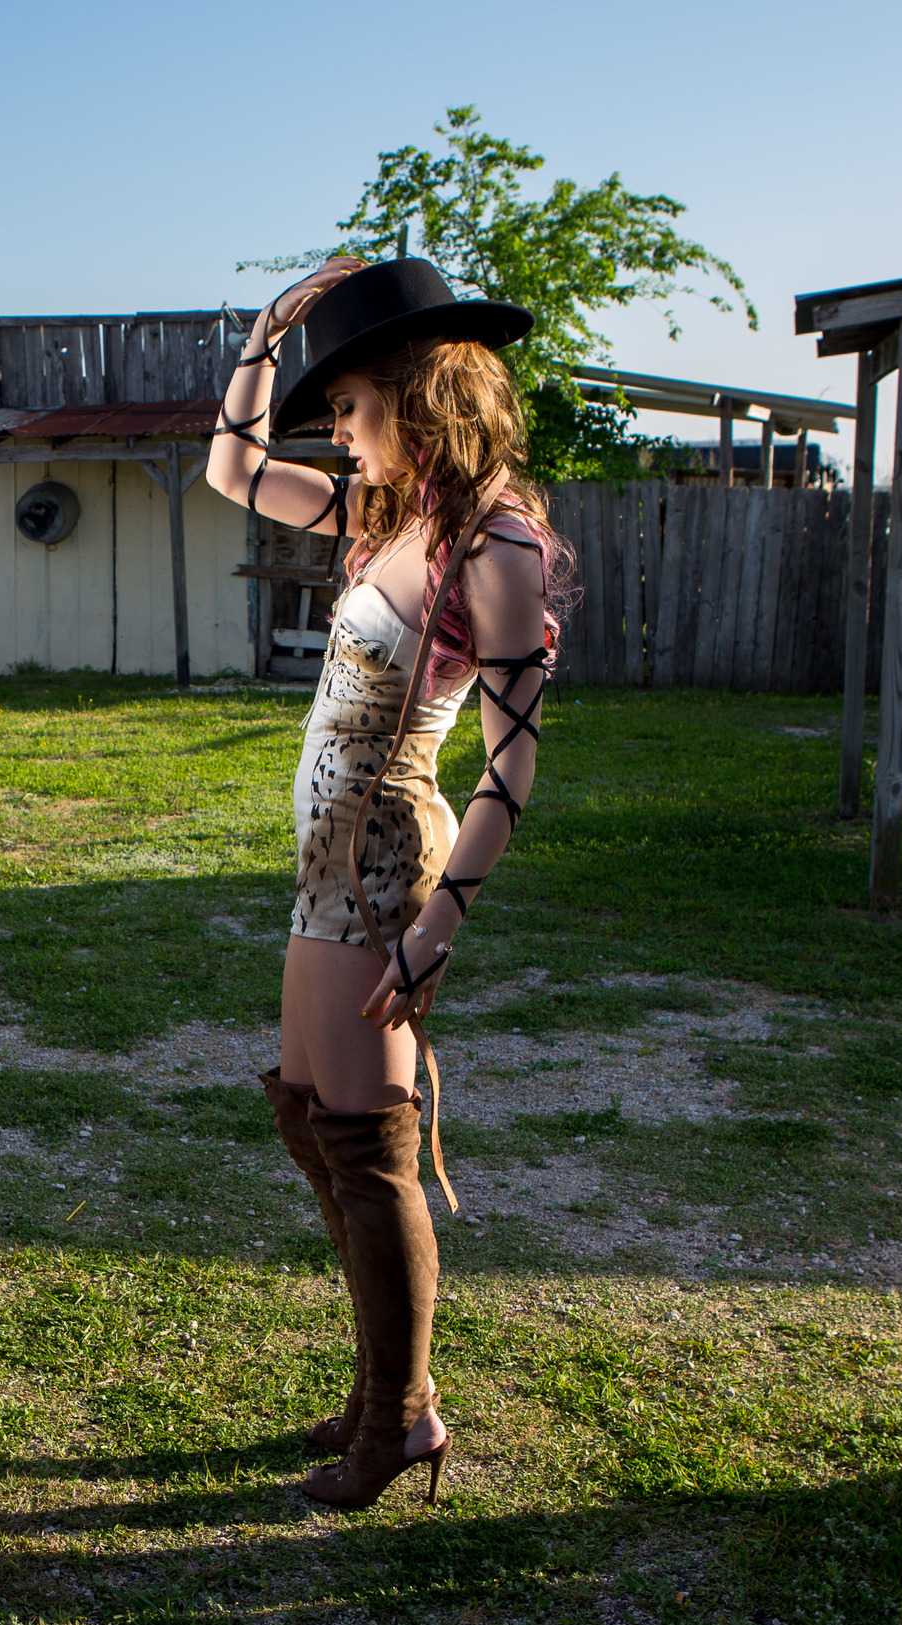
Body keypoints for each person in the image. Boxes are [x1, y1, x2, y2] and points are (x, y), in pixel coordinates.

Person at [205, 255, 573, 1511]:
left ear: (416, 398)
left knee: (368, 1148)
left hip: (382, 872)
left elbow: (512, 754)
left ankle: (405, 1418)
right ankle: (379, 1383)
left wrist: (437, 930)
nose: (344, 437)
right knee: (309, 1115)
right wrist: (263, 333)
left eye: (354, 410)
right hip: (325, 868)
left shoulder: (492, 540)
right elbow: (231, 470)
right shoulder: (387, 519)